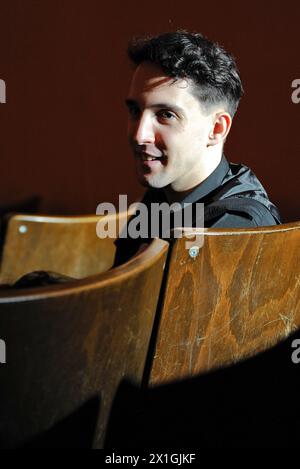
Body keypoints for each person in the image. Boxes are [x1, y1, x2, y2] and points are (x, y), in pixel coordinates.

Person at [113, 30, 281, 266]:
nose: (140, 135)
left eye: (166, 115)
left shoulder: (236, 228)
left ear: (217, 129)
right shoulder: (159, 198)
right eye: (135, 111)